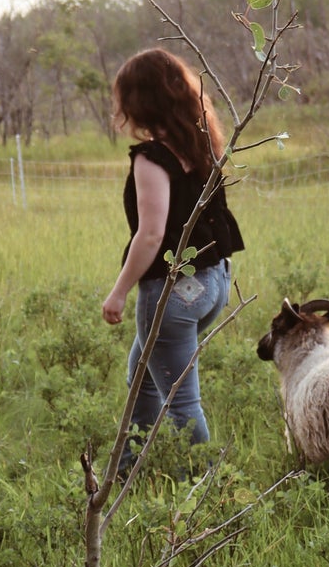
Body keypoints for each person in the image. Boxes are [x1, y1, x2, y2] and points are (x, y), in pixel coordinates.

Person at [102, 48, 243, 447]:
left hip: (173, 293)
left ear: (140, 102)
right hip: (214, 282)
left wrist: (119, 291)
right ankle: (129, 468)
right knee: (143, 382)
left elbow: (151, 235)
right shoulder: (206, 145)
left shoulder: (152, 158)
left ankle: (206, 487)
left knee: (181, 405)